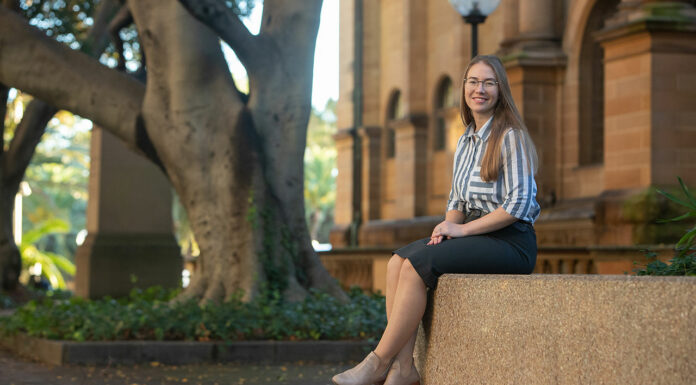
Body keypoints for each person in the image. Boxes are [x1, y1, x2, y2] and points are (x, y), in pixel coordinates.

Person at [331, 55, 540, 385]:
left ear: (501, 90)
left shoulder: (510, 136)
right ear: (464, 89)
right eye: (473, 81)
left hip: (511, 241)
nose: (479, 89)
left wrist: (461, 229)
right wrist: (445, 229)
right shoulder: (466, 140)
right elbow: (457, 201)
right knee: (398, 261)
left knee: (417, 266)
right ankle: (404, 369)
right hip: (474, 234)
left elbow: (518, 205)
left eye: (489, 82)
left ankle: (378, 362)